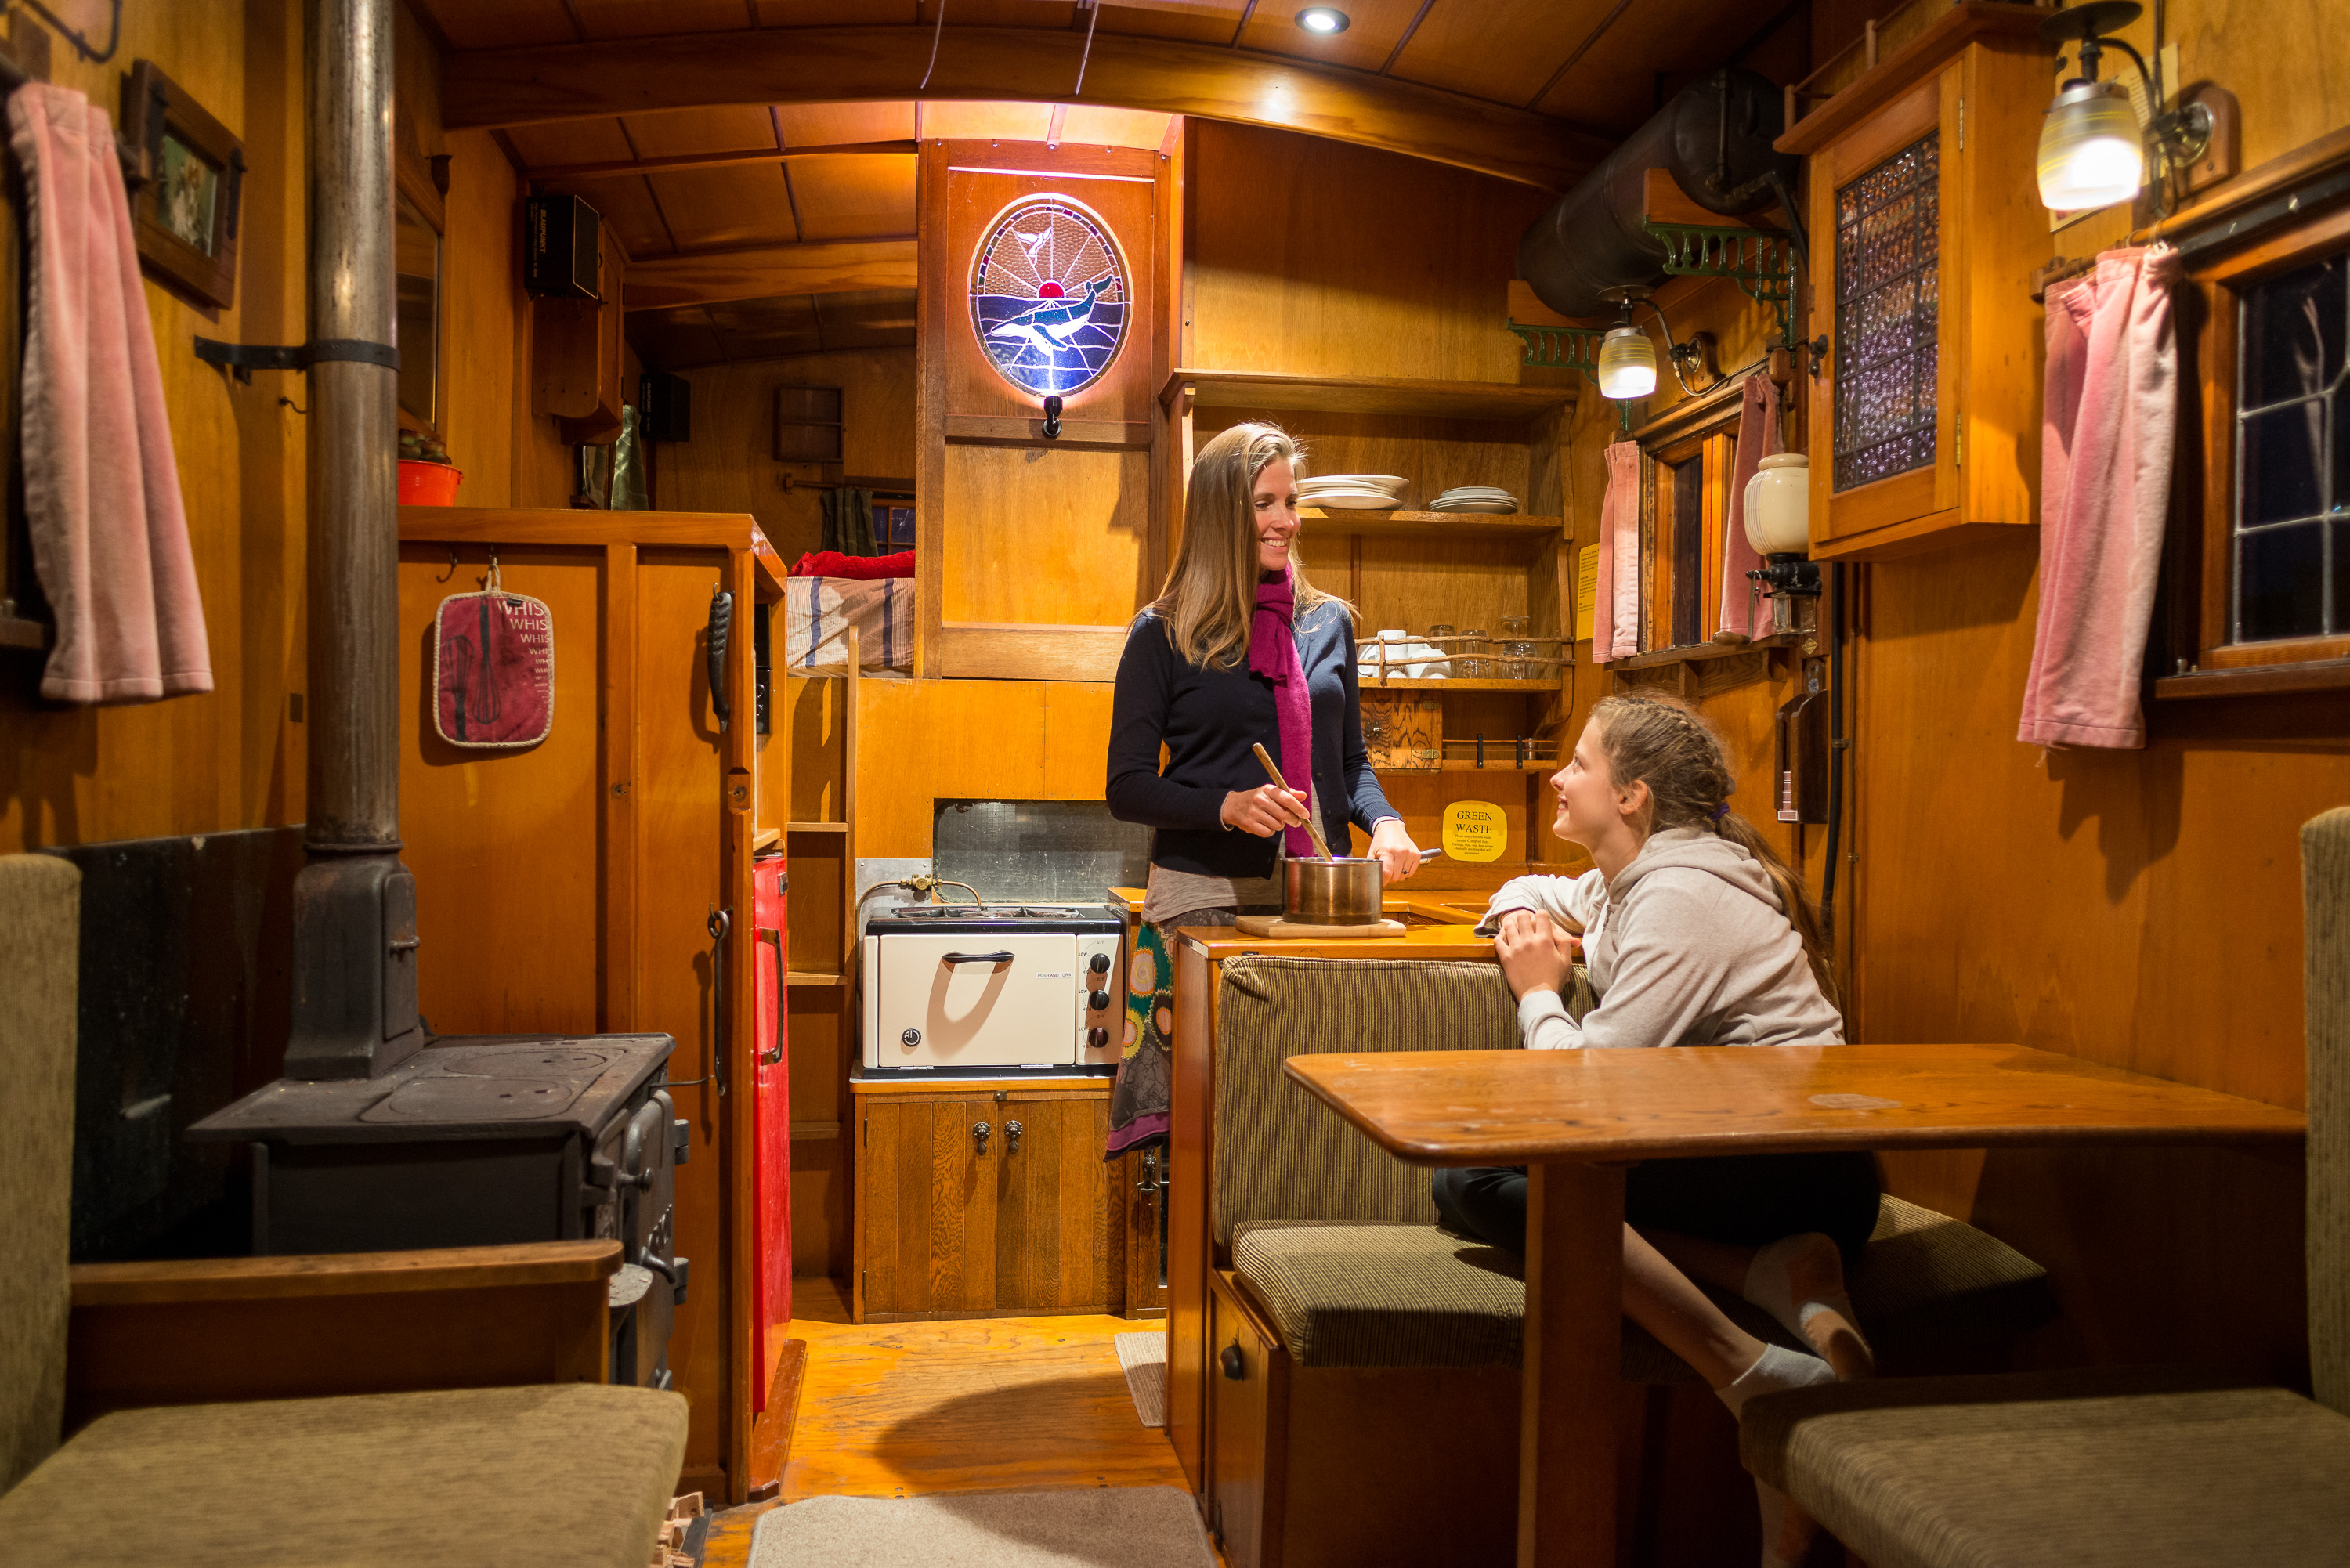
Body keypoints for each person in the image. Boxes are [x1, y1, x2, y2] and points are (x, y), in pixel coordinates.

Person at [1435, 692, 1875, 1568]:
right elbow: (1532, 887)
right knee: (1467, 1182)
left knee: (1481, 1184)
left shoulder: (1678, 898)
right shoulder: (1630, 879)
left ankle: (1751, 1374)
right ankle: (1770, 1268)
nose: (1560, 778)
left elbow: (1585, 1096)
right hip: (1764, 1166)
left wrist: (1537, 993)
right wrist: (1537, 924)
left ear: (1631, 795)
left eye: (1581, 765)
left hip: (1799, 1170)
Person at [1102, 421, 1422, 1156]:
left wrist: (1389, 823)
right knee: (1213, 1126)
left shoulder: (1328, 622)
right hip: (1205, 898)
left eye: (1291, 501)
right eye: (1264, 504)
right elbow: (1126, 788)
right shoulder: (1163, 631)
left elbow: (1349, 767)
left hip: (1319, 900)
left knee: (1300, 1122)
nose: (1287, 521)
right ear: (1222, 513)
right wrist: (1227, 807)